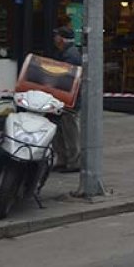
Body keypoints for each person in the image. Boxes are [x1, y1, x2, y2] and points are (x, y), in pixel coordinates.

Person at [51, 26, 82, 173]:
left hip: (69, 99)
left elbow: (66, 78)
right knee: (60, 128)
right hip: (63, 98)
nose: (54, 38)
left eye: (56, 36)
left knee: (70, 130)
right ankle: (63, 159)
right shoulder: (65, 52)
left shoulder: (70, 55)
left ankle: (73, 161)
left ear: (61, 39)